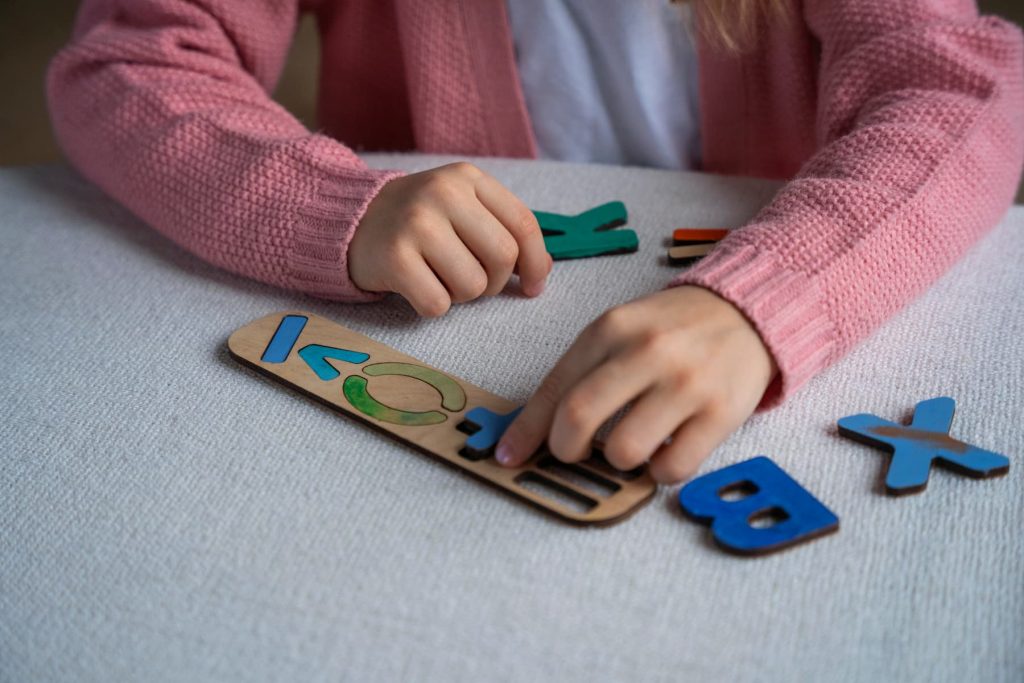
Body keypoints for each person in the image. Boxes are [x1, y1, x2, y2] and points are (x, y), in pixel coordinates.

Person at [48, 1, 1024, 483]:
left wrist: (768, 302)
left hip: (777, 323)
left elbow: (956, 89)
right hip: (444, 327)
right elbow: (129, 60)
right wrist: (332, 205)